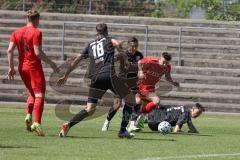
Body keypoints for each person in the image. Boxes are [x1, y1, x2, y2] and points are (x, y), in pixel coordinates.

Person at [57, 23, 135, 139]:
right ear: (107, 31)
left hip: (95, 78)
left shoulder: (90, 45)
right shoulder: (109, 40)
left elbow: (77, 59)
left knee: (89, 109)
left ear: (97, 32)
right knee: (130, 100)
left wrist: (66, 75)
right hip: (108, 75)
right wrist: (123, 55)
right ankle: (123, 130)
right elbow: (117, 44)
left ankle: (68, 125)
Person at [7, 10, 59, 136]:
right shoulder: (36, 32)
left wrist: (11, 68)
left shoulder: (16, 32)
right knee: (40, 95)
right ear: (36, 19)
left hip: (22, 68)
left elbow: (9, 50)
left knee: (32, 93)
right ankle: (36, 122)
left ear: (27, 19)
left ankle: (29, 115)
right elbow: (37, 52)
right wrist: (51, 63)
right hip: (34, 68)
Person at [101, 37, 143, 131]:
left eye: (136, 46)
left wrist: (141, 72)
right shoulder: (123, 54)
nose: (134, 48)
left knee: (138, 101)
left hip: (133, 83)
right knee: (117, 104)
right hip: (121, 82)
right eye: (132, 46)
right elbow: (113, 59)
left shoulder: (139, 55)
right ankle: (107, 121)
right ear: (128, 45)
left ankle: (132, 124)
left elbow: (142, 65)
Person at [133, 52, 180, 131]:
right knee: (156, 101)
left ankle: (137, 122)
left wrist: (173, 83)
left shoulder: (167, 67)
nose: (165, 64)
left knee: (144, 106)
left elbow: (168, 77)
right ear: (160, 58)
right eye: (163, 62)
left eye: (167, 63)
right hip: (141, 85)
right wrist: (140, 71)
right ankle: (140, 117)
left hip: (150, 88)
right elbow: (139, 62)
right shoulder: (151, 61)